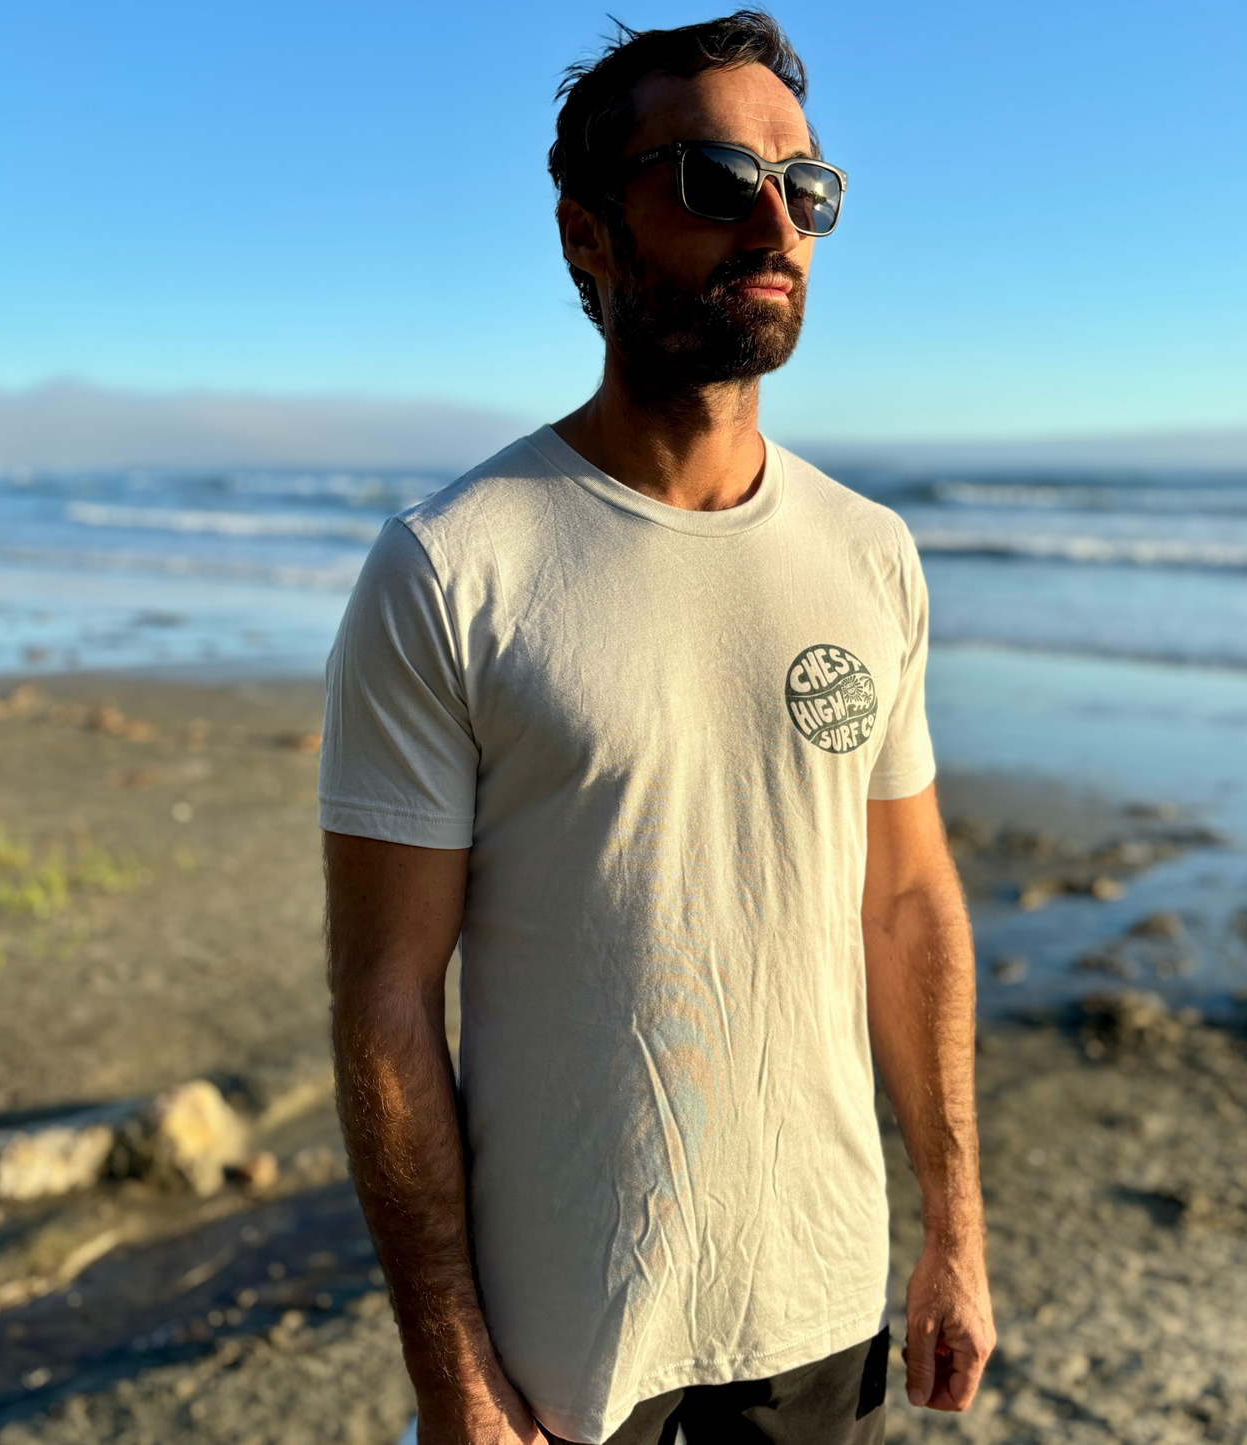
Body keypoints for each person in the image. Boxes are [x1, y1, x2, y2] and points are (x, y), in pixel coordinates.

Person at [319, 12, 995, 1444]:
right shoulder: (452, 566)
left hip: (821, 1310)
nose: (774, 221)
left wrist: (956, 1230)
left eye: (806, 188)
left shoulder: (870, 555)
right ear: (587, 234)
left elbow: (910, 904)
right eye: (710, 178)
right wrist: (451, 1370)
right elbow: (386, 1000)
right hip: (568, 1342)